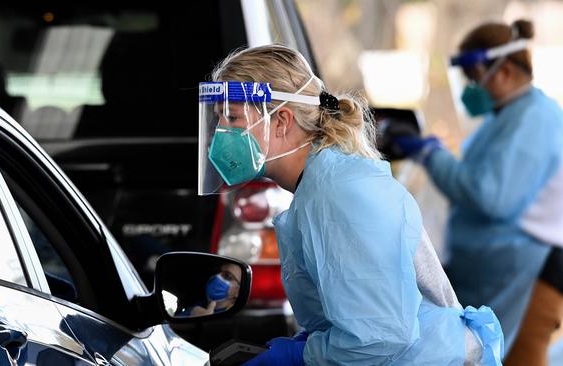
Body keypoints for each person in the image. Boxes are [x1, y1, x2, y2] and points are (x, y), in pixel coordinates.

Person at [198, 44, 503, 365]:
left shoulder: (338, 195)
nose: (220, 134)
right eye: (218, 120)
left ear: (281, 121)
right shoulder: (321, 184)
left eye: (231, 118)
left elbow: (379, 336)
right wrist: (311, 342)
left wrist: (300, 356)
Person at [395, 19, 563, 365]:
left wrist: (433, 157)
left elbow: (492, 197)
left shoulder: (536, 118)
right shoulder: (508, 117)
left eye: (474, 77)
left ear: (503, 72)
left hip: (529, 271)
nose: (470, 88)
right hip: (497, 265)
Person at [176, 262, 242, 317]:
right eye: (217, 271)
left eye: (227, 276)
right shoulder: (199, 303)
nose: (217, 276)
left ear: (238, 292)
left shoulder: (229, 318)